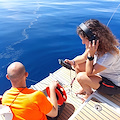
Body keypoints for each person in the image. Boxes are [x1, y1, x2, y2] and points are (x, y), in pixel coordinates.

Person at [65, 19, 120, 102]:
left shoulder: (110, 55)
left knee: (81, 77)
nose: (83, 42)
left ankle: (89, 93)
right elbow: (83, 57)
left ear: (93, 38)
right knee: (77, 65)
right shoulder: (95, 45)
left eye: (84, 39)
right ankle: (85, 86)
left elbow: (89, 73)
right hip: (102, 74)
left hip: (114, 85)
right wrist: (72, 62)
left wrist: (91, 55)